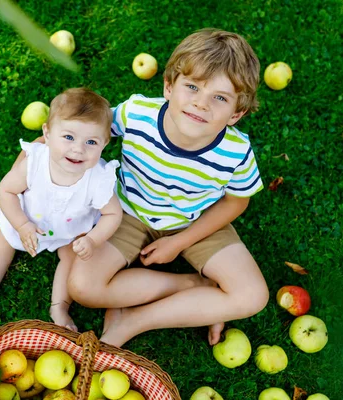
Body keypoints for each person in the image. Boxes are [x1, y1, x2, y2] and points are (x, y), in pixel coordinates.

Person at [65, 28, 269, 347]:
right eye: (192, 87)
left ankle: (135, 320)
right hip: (128, 211)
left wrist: (179, 242)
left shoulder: (236, 152)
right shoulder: (137, 115)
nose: (201, 104)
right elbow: (93, 130)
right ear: (168, 87)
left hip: (195, 219)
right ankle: (192, 286)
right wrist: (48, 147)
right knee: (82, 287)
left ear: (236, 113)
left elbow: (235, 202)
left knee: (253, 295)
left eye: (220, 98)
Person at [0, 88, 123, 331]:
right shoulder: (35, 162)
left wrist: (92, 239)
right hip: (28, 217)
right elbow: (5, 191)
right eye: (68, 137)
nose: (78, 149)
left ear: (105, 144)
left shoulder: (98, 178)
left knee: (71, 257)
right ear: (47, 133)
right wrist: (21, 225)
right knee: (3, 238)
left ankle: (59, 307)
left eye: (91, 142)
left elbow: (113, 214)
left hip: (70, 232)